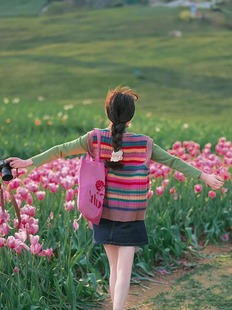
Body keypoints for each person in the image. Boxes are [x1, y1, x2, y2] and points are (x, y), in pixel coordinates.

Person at [6, 86, 224, 310]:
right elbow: (173, 162)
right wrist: (203, 175)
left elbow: (60, 150)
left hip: (101, 213)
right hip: (130, 215)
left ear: (108, 112)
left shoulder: (95, 139)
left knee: (114, 269)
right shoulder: (144, 143)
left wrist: (28, 162)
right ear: (131, 116)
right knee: (124, 271)